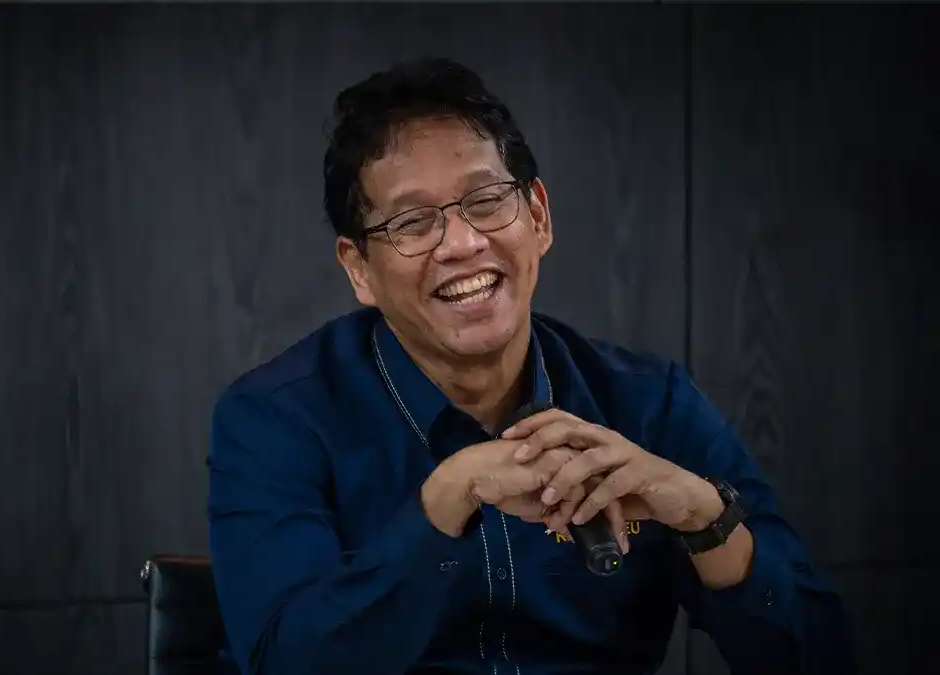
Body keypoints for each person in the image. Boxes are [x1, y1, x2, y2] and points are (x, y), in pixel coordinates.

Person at [207, 57, 854, 675]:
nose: (463, 243)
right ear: (359, 270)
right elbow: (289, 663)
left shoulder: (648, 402)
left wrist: (703, 515)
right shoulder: (276, 420)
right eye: (413, 221)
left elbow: (819, 657)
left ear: (538, 216)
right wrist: (442, 505)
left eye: (487, 200)